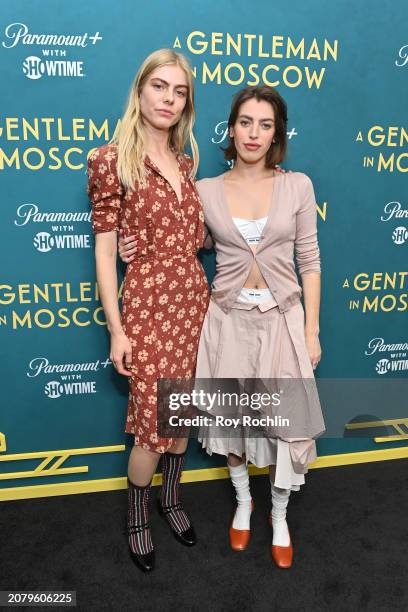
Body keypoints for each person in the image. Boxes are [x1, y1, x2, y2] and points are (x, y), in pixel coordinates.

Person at [119, 85, 325, 569]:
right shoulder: (205, 189)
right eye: (246, 122)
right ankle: (243, 504)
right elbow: (183, 237)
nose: (254, 133)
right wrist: (131, 246)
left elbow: (310, 262)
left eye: (266, 124)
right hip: (226, 320)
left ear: (278, 134)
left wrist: (311, 330)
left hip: (281, 320)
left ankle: (277, 515)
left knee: (283, 426)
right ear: (231, 128)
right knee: (230, 423)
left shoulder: (298, 185)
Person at [87, 48, 210, 573]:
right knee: (149, 425)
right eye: (160, 86)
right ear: (139, 91)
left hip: (193, 304)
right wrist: (117, 331)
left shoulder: (187, 163)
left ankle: (171, 500)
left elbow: (196, 236)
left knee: (180, 415)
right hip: (148, 308)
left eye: (179, 91)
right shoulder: (109, 159)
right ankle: (137, 515)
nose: (169, 99)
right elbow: (104, 249)